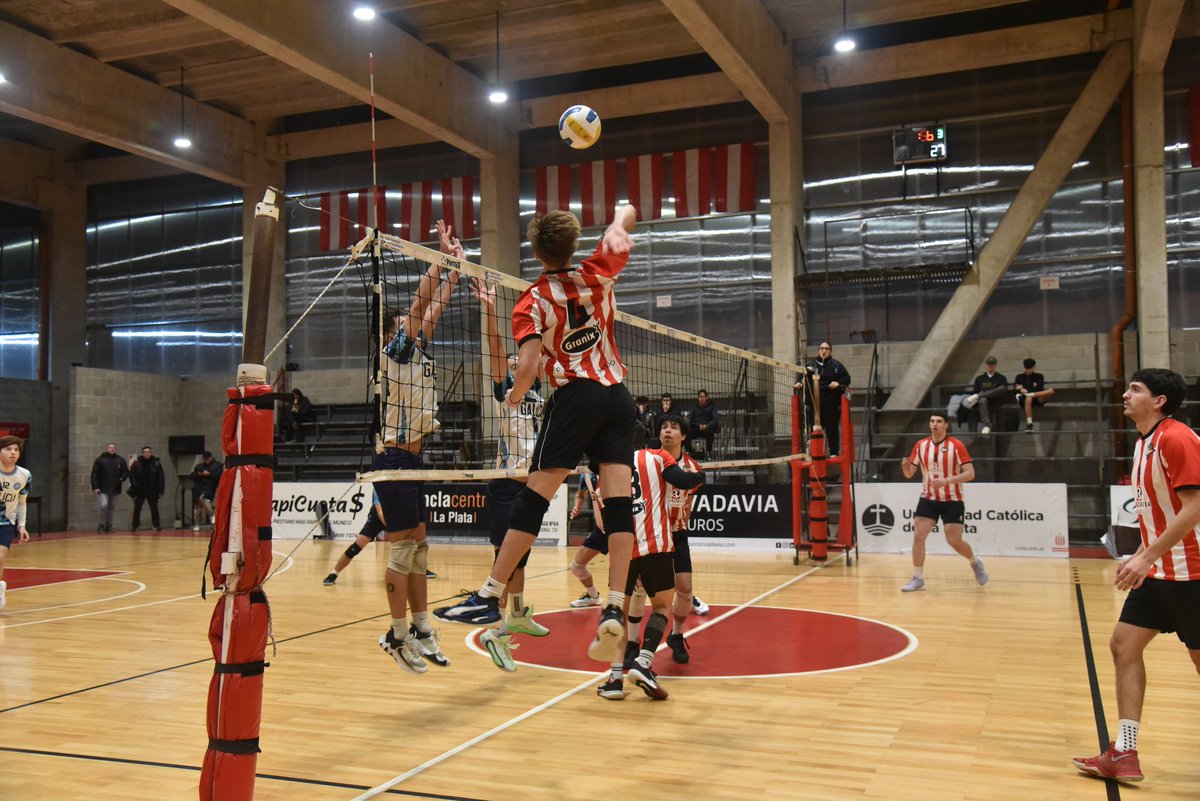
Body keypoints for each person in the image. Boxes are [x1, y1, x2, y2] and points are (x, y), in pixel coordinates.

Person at [435, 204, 640, 665]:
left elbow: (527, 366)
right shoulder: (598, 270)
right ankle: (613, 602)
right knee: (619, 504)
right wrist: (623, 212)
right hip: (618, 397)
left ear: (536, 250)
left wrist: (514, 395)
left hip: (576, 398)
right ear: (572, 243)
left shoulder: (532, 301)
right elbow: (622, 222)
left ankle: (490, 594)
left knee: (535, 496)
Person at [1072, 368, 1200, 784]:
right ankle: (1124, 751)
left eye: (1135, 389)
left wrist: (1144, 556)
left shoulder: (1176, 438)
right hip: (1161, 574)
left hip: (1193, 575)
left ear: (1159, 400)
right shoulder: (1145, 443)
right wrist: (1146, 559)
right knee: (1123, 646)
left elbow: (1195, 506)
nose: (1125, 394)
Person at [373, 219, 460, 675]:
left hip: (412, 459)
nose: (415, 325)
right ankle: (397, 634)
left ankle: (422, 627)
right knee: (403, 549)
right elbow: (419, 303)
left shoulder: (417, 352)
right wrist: (439, 258)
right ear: (394, 333)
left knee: (419, 547)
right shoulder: (394, 353)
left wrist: (454, 273)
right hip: (394, 457)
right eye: (405, 325)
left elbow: (433, 309)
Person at [468, 276, 551, 672]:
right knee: (506, 559)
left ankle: (515, 615)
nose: (521, 361)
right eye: (517, 361)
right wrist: (489, 307)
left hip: (530, 485)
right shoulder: (508, 390)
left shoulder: (538, 395)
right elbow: (497, 350)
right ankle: (495, 631)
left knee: (519, 559)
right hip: (505, 484)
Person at [596, 420, 705, 701]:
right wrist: (701, 475)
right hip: (657, 543)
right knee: (660, 607)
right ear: (647, 438)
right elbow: (683, 480)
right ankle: (644, 661)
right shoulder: (658, 456)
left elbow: (603, 514)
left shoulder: (606, 468)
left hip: (623, 550)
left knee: (616, 612)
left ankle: (615, 679)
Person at [898, 412, 988, 591]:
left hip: (952, 499)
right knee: (918, 536)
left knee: (954, 541)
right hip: (928, 498)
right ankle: (917, 577)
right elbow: (909, 475)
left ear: (946, 425)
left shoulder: (957, 445)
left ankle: (974, 562)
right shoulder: (920, 445)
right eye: (932, 421)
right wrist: (905, 467)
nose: (934, 424)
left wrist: (947, 481)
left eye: (939, 421)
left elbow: (970, 473)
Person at [656, 412, 708, 664]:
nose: (667, 431)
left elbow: (690, 500)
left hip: (677, 535)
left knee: (685, 588)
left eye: (673, 427)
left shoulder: (692, 468)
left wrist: (682, 524)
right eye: (663, 427)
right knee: (644, 590)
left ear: (683, 436)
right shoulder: (649, 461)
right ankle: (633, 643)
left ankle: (676, 636)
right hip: (652, 535)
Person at [321, 505, 438, 586]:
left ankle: (421, 569)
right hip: (378, 518)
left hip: (395, 515)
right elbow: (380, 511)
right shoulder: (379, 483)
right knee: (355, 547)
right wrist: (394, 528)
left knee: (413, 541)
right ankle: (334, 573)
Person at [0, 435, 32, 611]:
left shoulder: (24, 475)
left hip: (6, 521)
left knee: (0, 557)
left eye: (16, 450)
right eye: (8, 449)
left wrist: (21, 525)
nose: (13, 453)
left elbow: (22, 502)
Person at [805, 341, 851, 456]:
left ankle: (834, 453)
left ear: (830, 351)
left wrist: (837, 382)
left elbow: (847, 379)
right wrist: (798, 383)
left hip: (831, 405)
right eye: (821, 348)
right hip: (815, 406)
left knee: (832, 430)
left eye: (826, 348)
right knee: (815, 431)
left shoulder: (836, 365)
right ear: (818, 350)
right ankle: (816, 454)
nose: (823, 351)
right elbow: (801, 378)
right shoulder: (810, 365)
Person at [961, 356, 1008, 436]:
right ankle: (987, 425)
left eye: (992, 364)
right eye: (988, 364)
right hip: (984, 402)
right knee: (983, 399)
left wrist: (979, 394)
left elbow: (1002, 390)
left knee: (1001, 388)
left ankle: (979, 395)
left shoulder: (1001, 377)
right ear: (986, 365)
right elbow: (975, 390)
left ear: (995, 365)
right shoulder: (979, 378)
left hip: (996, 400)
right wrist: (981, 395)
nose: (990, 365)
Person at [90, 442, 128, 532]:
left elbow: (126, 471)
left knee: (112, 508)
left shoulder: (120, 460)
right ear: (107, 449)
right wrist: (95, 487)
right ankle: (101, 524)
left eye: (113, 447)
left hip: (115, 488)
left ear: (115, 449)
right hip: (103, 488)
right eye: (110, 447)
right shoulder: (100, 460)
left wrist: (122, 478)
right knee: (103, 505)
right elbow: (94, 474)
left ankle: (109, 525)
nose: (112, 449)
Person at [128, 446, 165, 531]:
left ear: (151, 453)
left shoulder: (156, 463)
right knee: (137, 508)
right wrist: (135, 484)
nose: (147, 453)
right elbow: (131, 475)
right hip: (140, 490)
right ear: (142, 453)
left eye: (148, 452)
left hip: (152, 490)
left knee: (154, 508)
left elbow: (161, 478)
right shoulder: (137, 463)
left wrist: (161, 491)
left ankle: (156, 525)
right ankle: (135, 525)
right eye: (145, 452)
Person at [1014, 357, 1055, 433]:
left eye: (1030, 368)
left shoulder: (1039, 376)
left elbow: (1040, 389)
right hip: (1024, 399)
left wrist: (1029, 392)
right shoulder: (1019, 377)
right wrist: (1021, 389)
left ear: (1033, 367)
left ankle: (1031, 394)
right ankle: (1029, 424)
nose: (1028, 370)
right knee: (1028, 398)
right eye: (1026, 368)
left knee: (1051, 391)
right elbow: (1016, 389)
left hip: (1036, 397)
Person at [189, 451, 223, 531]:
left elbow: (219, 476)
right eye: (204, 459)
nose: (205, 461)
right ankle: (197, 524)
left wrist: (209, 474)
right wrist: (198, 474)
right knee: (198, 507)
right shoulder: (199, 466)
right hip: (198, 488)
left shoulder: (217, 466)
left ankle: (212, 516)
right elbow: (192, 475)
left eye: (207, 459)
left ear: (211, 457)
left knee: (205, 500)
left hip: (209, 488)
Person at [687, 389, 720, 459]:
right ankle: (689, 451)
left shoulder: (712, 406)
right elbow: (689, 417)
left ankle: (708, 453)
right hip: (696, 427)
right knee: (686, 432)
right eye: (700, 396)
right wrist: (688, 420)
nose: (702, 398)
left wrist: (706, 426)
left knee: (710, 433)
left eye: (703, 396)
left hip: (707, 428)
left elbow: (715, 419)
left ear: (707, 397)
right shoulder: (694, 406)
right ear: (698, 398)